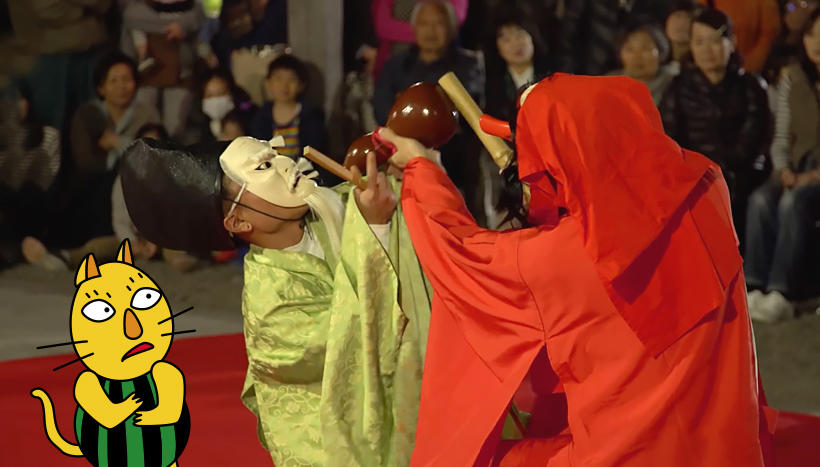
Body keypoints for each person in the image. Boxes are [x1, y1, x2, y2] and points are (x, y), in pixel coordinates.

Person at [379, 71, 772, 465]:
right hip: (726, 450)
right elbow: (614, 189)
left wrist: (422, 167)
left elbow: (459, 252)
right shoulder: (707, 187)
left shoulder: (565, 256)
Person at [118, 135, 432, 466]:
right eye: (264, 167)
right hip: (334, 447)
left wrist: (411, 169)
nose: (288, 165)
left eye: (276, 156)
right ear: (239, 221)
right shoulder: (269, 306)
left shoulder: (336, 208)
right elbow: (357, 340)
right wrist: (377, 228)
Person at [659, 8, 772, 246]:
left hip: (742, 176)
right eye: (699, 42)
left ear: (731, 43)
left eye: (714, 41)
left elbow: (755, 139)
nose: (706, 50)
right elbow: (668, 139)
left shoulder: (751, 86)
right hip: (694, 175)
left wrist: (724, 170)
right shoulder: (679, 88)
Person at [374, 0, 486, 224]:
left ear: (452, 28)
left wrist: (408, 106)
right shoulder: (396, 65)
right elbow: (382, 110)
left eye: (439, 24)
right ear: (413, 29)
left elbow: (466, 112)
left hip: (454, 162)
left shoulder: (468, 64)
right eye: (424, 24)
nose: (431, 31)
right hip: (401, 161)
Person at [745, 8, 820, 323]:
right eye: (812, 34)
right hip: (795, 165)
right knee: (760, 199)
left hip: (817, 173)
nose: (817, 42)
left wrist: (813, 176)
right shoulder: (793, 77)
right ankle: (754, 286)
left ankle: (782, 292)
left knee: (793, 202)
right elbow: (781, 135)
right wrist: (783, 168)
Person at [248, 54, 329, 176]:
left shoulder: (311, 117)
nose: (284, 85)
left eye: (291, 80)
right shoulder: (260, 117)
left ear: (302, 85)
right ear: (269, 83)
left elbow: (316, 154)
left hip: (305, 178)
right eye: (279, 79)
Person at [695, 0, 781, 73]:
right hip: (711, 71)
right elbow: (696, 29)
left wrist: (749, 66)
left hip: (749, 71)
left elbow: (769, 33)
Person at [608, 21, 678, 105]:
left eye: (645, 49)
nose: (637, 57)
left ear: (660, 51)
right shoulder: (609, 85)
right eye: (630, 49)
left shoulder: (674, 84)